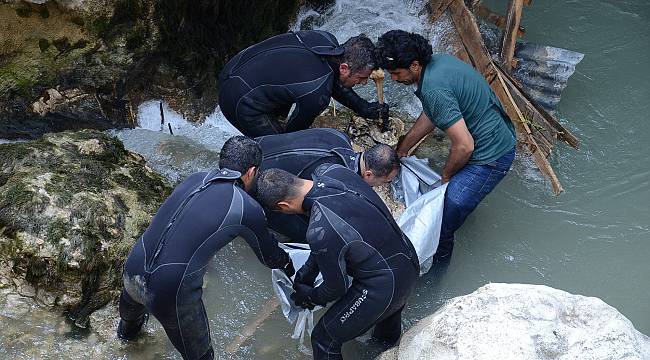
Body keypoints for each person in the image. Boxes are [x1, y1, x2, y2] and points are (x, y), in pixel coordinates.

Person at [116, 136, 294, 360]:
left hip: (133, 268)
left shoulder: (195, 178)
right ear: (251, 172)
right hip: (170, 289)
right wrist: (291, 264)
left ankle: (124, 346)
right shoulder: (245, 206)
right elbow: (271, 258)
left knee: (127, 337)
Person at [376, 30, 516, 262]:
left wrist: (447, 175)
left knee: (442, 223)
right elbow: (431, 115)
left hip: (490, 157)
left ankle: (436, 276)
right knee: (452, 197)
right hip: (496, 133)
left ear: (414, 65)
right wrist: (403, 149)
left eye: (396, 73)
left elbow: (464, 146)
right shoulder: (438, 63)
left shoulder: (434, 89)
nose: (393, 79)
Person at [256, 165, 419, 360]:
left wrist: (309, 296)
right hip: (407, 261)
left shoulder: (319, 229)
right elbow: (334, 237)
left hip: (384, 286)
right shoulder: (333, 171)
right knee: (385, 329)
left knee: (323, 340)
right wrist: (305, 274)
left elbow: (336, 288)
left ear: (284, 206)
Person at [218, 30, 389, 137]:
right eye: (361, 78)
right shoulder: (316, 94)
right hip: (239, 101)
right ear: (344, 68)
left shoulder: (324, 38)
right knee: (280, 146)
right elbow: (293, 135)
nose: (365, 82)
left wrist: (363, 107)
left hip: (234, 67)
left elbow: (330, 78)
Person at [255, 127, 400, 241]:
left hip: (255, 148)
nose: (382, 185)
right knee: (315, 234)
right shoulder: (337, 179)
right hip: (257, 187)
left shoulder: (340, 136)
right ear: (368, 174)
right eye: (385, 181)